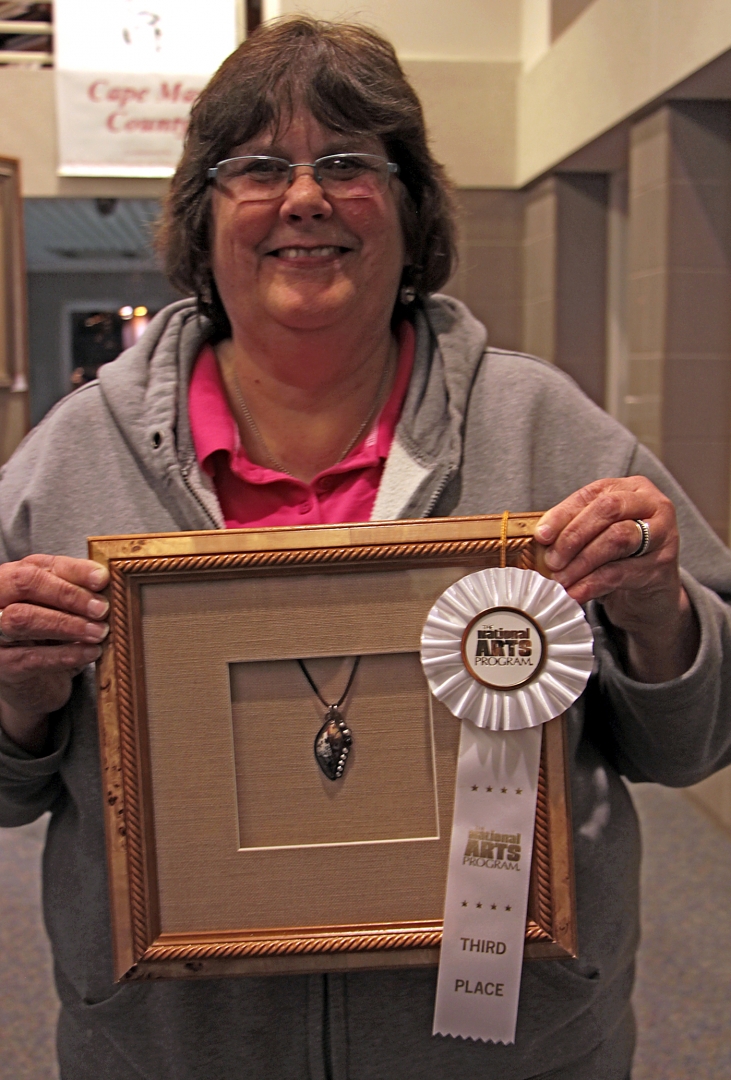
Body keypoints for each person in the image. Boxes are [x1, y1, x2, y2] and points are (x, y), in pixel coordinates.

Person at [1, 16, 730, 1080]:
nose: (303, 198)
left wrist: (658, 613)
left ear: (408, 207)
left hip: (501, 1046)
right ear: (205, 217)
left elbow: (694, 744)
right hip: (177, 1049)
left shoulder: (541, 427)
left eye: (347, 162)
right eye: (257, 167)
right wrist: (17, 694)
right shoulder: (70, 458)